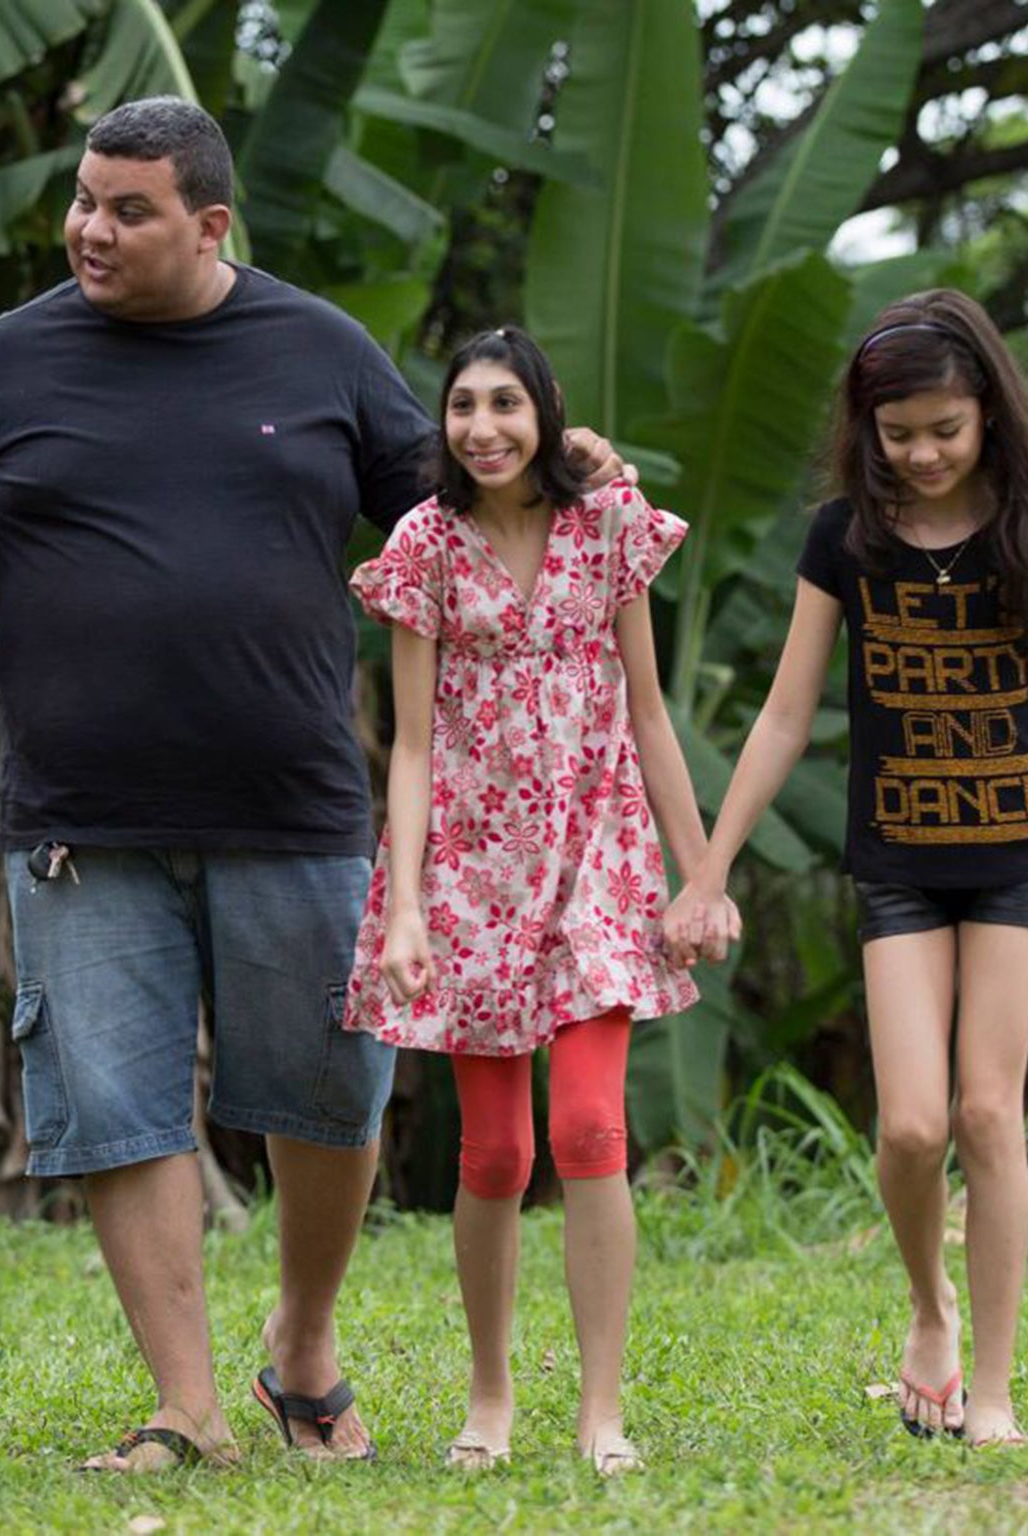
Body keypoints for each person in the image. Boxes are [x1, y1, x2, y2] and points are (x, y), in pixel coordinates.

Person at [0, 98, 627, 1470]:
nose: (89, 227)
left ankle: (303, 1348)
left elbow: (453, 510)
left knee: (330, 1095)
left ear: (209, 225)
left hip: (298, 805)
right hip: (83, 819)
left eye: (127, 209)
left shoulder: (318, 348)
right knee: (115, 1106)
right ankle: (185, 1405)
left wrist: (571, 475)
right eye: (84, 199)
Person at [667, 291, 1028, 1449]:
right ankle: (928, 1309)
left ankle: (995, 1393)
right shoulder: (842, 540)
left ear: (987, 419)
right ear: (863, 426)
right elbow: (778, 717)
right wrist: (705, 869)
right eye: (894, 431)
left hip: (1014, 862)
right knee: (910, 1129)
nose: (917, 453)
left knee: (985, 1114)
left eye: (941, 430)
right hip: (898, 862)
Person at [344, 326, 716, 1476]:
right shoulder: (423, 546)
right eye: (462, 406)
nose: (483, 428)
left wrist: (698, 875)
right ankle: (489, 1397)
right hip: (469, 868)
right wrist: (402, 906)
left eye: (506, 404)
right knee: (495, 1151)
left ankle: (601, 1409)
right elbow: (408, 748)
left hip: (593, 855)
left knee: (589, 1128)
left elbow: (648, 715)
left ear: (545, 414)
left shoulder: (608, 527)